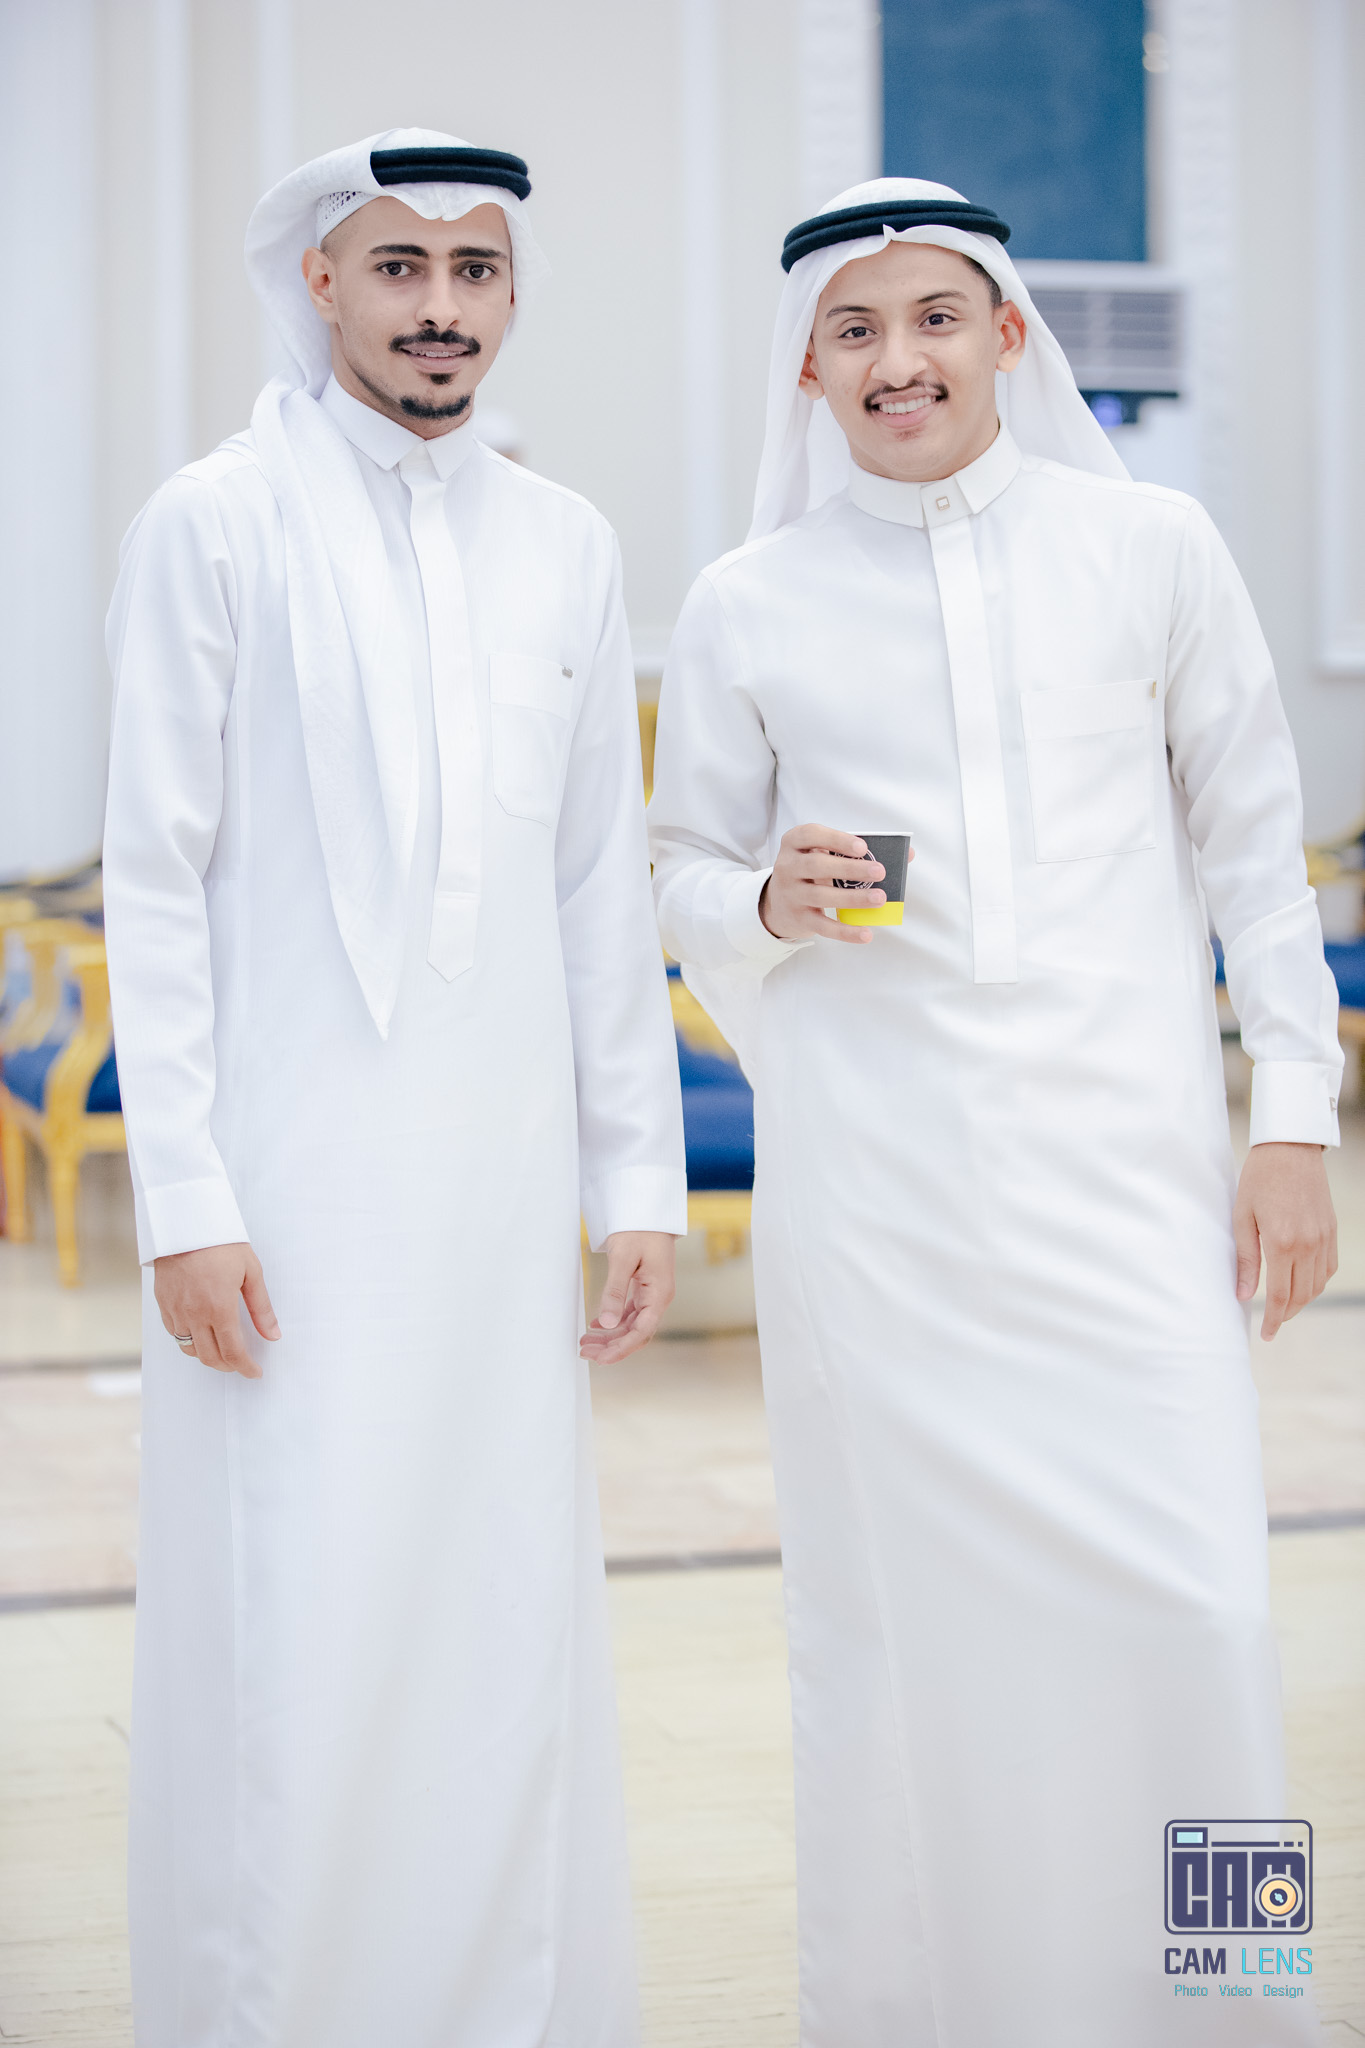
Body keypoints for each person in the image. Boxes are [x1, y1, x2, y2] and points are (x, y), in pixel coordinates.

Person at [647, 177, 1339, 2045]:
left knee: (1203, 1617)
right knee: (903, 1651)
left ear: (1008, 334)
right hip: (884, 1209)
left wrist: (1289, 1119)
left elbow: (1256, 855)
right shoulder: (747, 601)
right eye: (855, 329)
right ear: (807, 367)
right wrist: (760, 900)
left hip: (1129, 1189)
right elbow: (675, 868)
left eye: (935, 315)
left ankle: (1236, 2006)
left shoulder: (1151, 548)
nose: (899, 358)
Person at [103, 128, 685, 2047]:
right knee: (291, 1618)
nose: (442, 309)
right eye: (400, 268)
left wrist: (637, 1181)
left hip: (498, 1199)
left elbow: (597, 889)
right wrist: (184, 1199)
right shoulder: (215, 522)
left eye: (475, 271)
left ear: (511, 295)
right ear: (321, 283)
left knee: (495, 1610)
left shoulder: (567, 541)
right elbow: (154, 884)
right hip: (282, 1194)